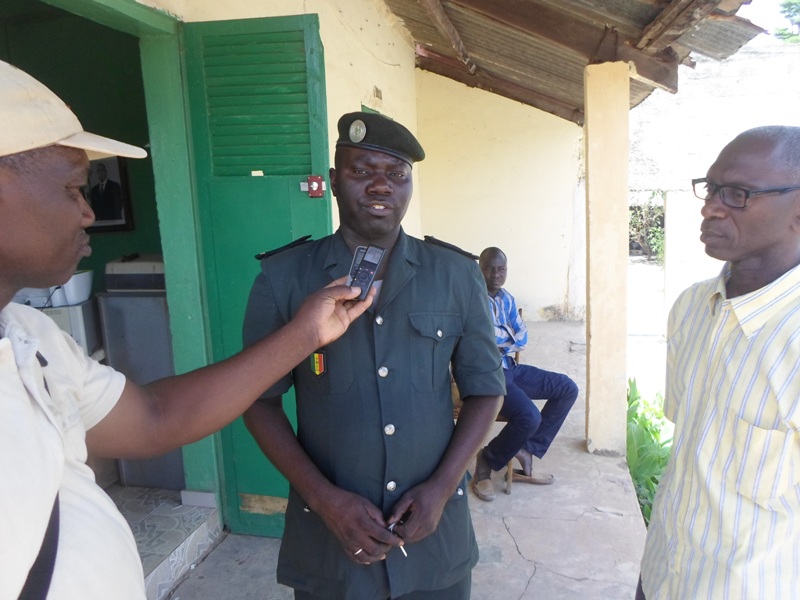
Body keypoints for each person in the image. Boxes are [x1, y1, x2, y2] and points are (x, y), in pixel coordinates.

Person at [0, 59, 374, 600]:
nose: (87, 213)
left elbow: (155, 416)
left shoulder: (31, 336)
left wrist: (305, 335)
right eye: (72, 188)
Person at [242, 111, 505, 600]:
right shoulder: (285, 279)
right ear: (335, 181)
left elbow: (486, 390)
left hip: (433, 542)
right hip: (330, 547)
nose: (382, 186)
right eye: (363, 171)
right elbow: (258, 402)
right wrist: (324, 501)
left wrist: (444, 488)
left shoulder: (455, 275)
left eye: (397, 175)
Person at [638, 126, 800, 599]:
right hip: (661, 572)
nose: (711, 206)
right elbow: (689, 450)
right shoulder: (691, 308)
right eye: (710, 189)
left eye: (739, 194)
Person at [471, 247, 579, 502]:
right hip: (488, 372)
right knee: (529, 416)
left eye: (502, 269)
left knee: (567, 388)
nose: (496, 274)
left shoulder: (507, 298)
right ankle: (486, 461)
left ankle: (527, 449)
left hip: (511, 367)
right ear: (480, 269)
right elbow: (486, 338)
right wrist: (506, 335)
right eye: (490, 268)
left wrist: (502, 337)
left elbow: (523, 337)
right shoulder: (472, 298)